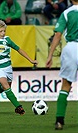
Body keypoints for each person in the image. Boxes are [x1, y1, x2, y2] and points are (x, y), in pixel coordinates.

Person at [46, 0, 78, 130]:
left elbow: (58, 34)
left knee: (66, 85)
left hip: (71, 49)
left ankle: (59, 121)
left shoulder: (66, 12)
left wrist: (50, 55)